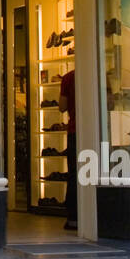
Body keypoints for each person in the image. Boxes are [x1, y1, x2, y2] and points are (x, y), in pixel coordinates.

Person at [58, 68, 77, 230]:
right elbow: (110, 102)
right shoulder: (100, 74)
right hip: (96, 130)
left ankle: (73, 217)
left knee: (74, 174)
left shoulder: (68, 77)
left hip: (74, 131)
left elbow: (62, 106)